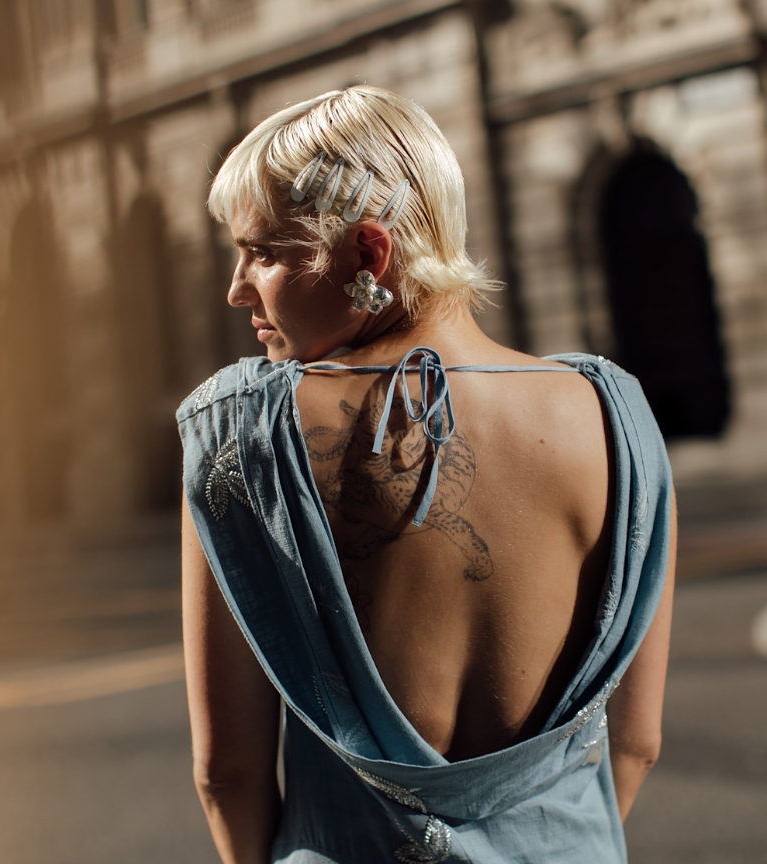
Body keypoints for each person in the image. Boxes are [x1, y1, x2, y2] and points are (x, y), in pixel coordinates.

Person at [179, 85, 675, 864]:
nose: (239, 287)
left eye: (266, 251)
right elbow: (635, 744)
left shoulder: (241, 431)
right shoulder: (613, 414)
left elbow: (228, 773)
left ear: (369, 255)